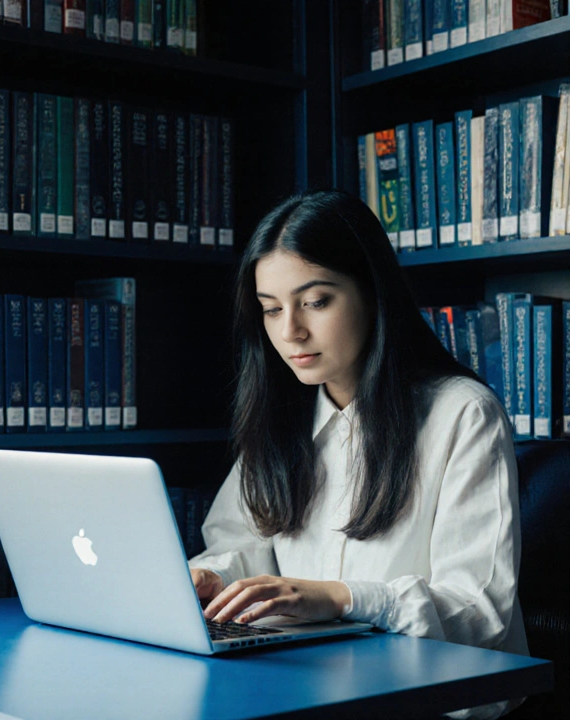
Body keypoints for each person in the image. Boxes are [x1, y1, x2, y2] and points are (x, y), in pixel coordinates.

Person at [188, 190, 526, 718]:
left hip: (423, 698)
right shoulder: (281, 416)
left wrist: (343, 598)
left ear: (371, 293)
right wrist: (217, 579)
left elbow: (479, 611)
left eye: (316, 302)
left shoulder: (462, 414)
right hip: (309, 684)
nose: (289, 331)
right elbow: (243, 543)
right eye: (271, 310)